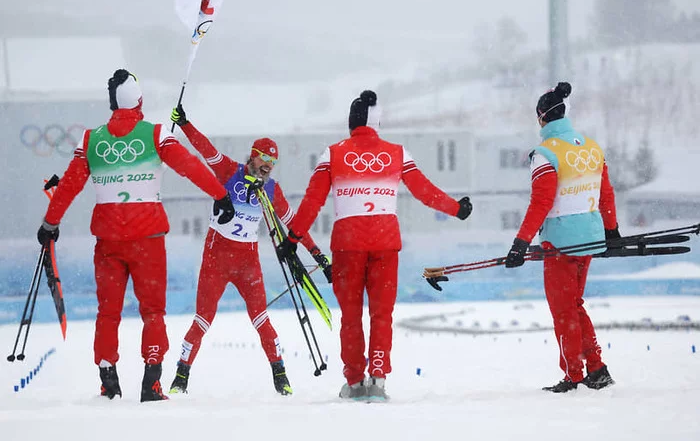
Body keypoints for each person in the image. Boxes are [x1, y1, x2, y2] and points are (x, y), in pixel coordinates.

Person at [36, 69, 235, 402]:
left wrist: (49, 223)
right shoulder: (156, 135)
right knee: (153, 312)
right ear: (140, 100)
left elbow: (69, 185)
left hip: (108, 242)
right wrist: (220, 195)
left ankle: (108, 380)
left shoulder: (91, 140)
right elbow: (191, 167)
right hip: (149, 240)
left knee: (108, 313)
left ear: (112, 101)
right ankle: (151, 382)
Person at [276, 90, 472, 401]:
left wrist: (292, 238)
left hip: (347, 244)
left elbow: (313, 202)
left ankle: (354, 383)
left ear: (352, 122)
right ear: (376, 122)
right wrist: (456, 208)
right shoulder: (397, 153)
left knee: (351, 316)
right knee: (382, 314)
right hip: (385, 242)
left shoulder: (333, 153)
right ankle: (378, 379)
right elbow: (424, 191)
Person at [168, 104, 332, 396]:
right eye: (264, 157)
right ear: (253, 156)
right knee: (202, 320)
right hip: (215, 260)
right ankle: (181, 376)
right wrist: (184, 124)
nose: (268, 164)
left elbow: (294, 223)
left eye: (273, 160)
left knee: (261, 319)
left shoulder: (272, 190)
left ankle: (280, 376)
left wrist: (318, 255)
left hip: (247, 262)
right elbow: (206, 151)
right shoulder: (229, 171)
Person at [504, 82, 618, 393]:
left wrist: (521, 242)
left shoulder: (545, 154)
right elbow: (605, 193)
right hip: (591, 238)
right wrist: (612, 231)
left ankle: (575, 374)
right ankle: (596, 368)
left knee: (563, 309)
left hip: (560, 244)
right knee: (574, 304)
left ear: (542, 119)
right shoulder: (592, 147)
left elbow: (541, 202)